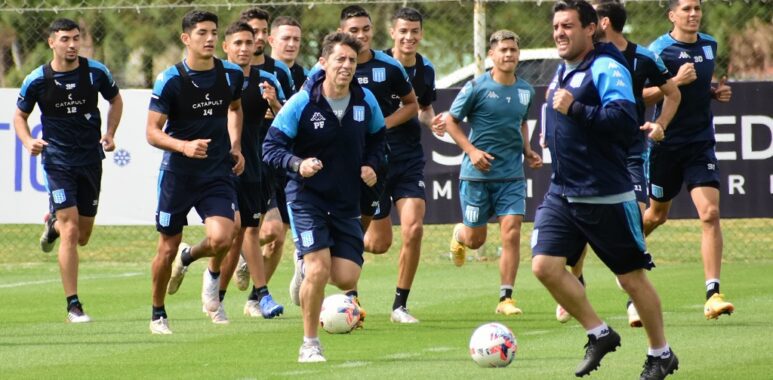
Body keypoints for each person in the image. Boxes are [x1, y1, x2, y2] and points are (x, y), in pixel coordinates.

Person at [531, 1, 678, 378]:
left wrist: (575, 110)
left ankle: (661, 353)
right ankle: (599, 333)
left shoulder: (606, 66)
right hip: (563, 192)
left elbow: (623, 120)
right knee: (544, 266)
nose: (560, 33)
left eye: (568, 25)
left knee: (631, 277)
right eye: (556, 26)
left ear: (591, 28)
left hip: (605, 194)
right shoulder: (565, 69)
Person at [263, 32, 386, 363]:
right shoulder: (302, 102)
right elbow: (270, 148)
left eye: (351, 60)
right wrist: (298, 164)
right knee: (319, 268)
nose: (346, 66)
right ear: (323, 63)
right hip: (306, 198)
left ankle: (303, 268)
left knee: (346, 277)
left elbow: (378, 140)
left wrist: (372, 165)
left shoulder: (365, 101)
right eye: (339, 59)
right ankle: (310, 344)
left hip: (346, 199)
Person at [14, 18, 123, 323]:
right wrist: (27, 141)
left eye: (76, 38)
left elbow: (116, 100)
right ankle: (73, 305)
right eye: (65, 39)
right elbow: (19, 116)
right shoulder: (37, 79)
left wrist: (110, 133)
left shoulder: (95, 72)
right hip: (57, 161)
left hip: (90, 159)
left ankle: (52, 224)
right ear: (52, 42)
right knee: (71, 229)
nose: (72, 44)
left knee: (83, 235)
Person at [146, 10, 245, 334]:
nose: (210, 38)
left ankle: (189, 257)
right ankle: (158, 312)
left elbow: (235, 108)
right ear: (186, 38)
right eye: (202, 32)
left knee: (222, 238)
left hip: (217, 173)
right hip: (178, 175)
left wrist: (235, 145)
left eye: (213, 32)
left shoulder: (230, 74)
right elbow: (152, 132)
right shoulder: (170, 79)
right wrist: (183, 146)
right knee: (166, 247)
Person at [439, 30, 542, 317]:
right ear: (492, 56)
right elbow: (450, 121)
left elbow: (522, 122)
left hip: (511, 175)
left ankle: (506, 298)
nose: (509, 54)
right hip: (476, 176)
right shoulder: (476, 88)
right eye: (503, 50)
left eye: (513, 50)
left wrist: (527, 149)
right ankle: (460, 234)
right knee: (476, 240)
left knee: (511, 231)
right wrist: (471, 151)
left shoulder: (526, 90)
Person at [644, 0, 734, 321]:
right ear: (672, 16)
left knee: (710, 213)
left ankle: (713, 293)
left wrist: (714, 92)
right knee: (656, 215)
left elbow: (701, 86)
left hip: (700, 144)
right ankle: (627, 256)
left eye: (697, 8)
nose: (693, 14)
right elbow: (640, 94)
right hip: (665, 145)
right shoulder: (657, 50)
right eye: (686, 9)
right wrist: (675, 83)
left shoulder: (710, 44)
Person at [353, 6, 441, 324]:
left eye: (414, 31)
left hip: (407, 159)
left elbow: (422, 109)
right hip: (373, 163)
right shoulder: (371, 65)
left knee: (414, 228)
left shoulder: (425, 69)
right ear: (392, 33)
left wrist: (434, 124)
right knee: (377, 244)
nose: (408, 37)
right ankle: (340, 254)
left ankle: (399, 306)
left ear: (421, 34)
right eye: (403, 31)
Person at [209, 21, 285, 324]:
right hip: (219, 166)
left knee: (248, 232)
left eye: (248, 43)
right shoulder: (213, 78)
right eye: (236, 43)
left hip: (254, 165)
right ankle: (219, 283)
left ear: (257, 45)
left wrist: (275, 103)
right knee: (233, 231)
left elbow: (286, 122)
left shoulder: (267, 80)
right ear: (226, 47)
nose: (243, 49)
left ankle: (228, 296)